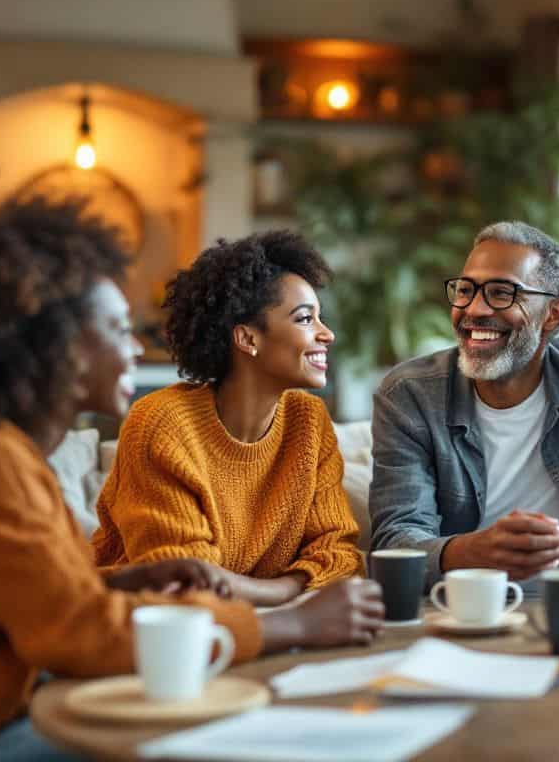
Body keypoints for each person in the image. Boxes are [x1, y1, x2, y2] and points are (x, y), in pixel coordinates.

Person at [0, 200, 383, 761]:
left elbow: (46, 599)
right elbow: (77, 634)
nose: (133, 347)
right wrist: (291, 622)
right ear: (59, 348)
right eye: (117, 328)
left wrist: (128, 582)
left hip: (4, 716)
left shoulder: (6, 455)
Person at [93, 231, 364, 606]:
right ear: (247, 339)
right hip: (149, 627)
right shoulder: (162, 423)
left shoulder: (308, 421)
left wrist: (279, 592)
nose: (327, 334)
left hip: (269, 623)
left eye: (321, 318)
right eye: (305, 319)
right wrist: (291, 592)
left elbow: (340, 554)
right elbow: (184, 577)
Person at [368, 221, 559, 587]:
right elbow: (395, 544)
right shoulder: (410, 396)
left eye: (501, 293)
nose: (474, 309)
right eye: (465, 290)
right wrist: (476, 551)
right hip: (458, 609)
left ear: (553, 313)